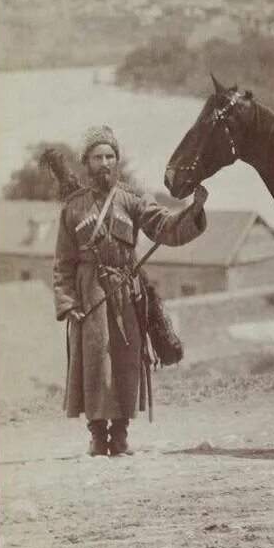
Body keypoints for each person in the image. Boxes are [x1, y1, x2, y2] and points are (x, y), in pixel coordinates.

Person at [53, 125, 208, 457]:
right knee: (95, 362)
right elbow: (63, 263)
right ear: (86, 162)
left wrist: (193, 211)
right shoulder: (73, 207)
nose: (105, 163)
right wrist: (68, 303)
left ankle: (120, 434)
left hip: (126, 289)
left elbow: (165, 227)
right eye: (97, 157)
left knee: (126, 360)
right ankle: (97, 434)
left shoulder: (133, 199)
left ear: (117, 160)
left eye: (110, 156)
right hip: (89, 292)